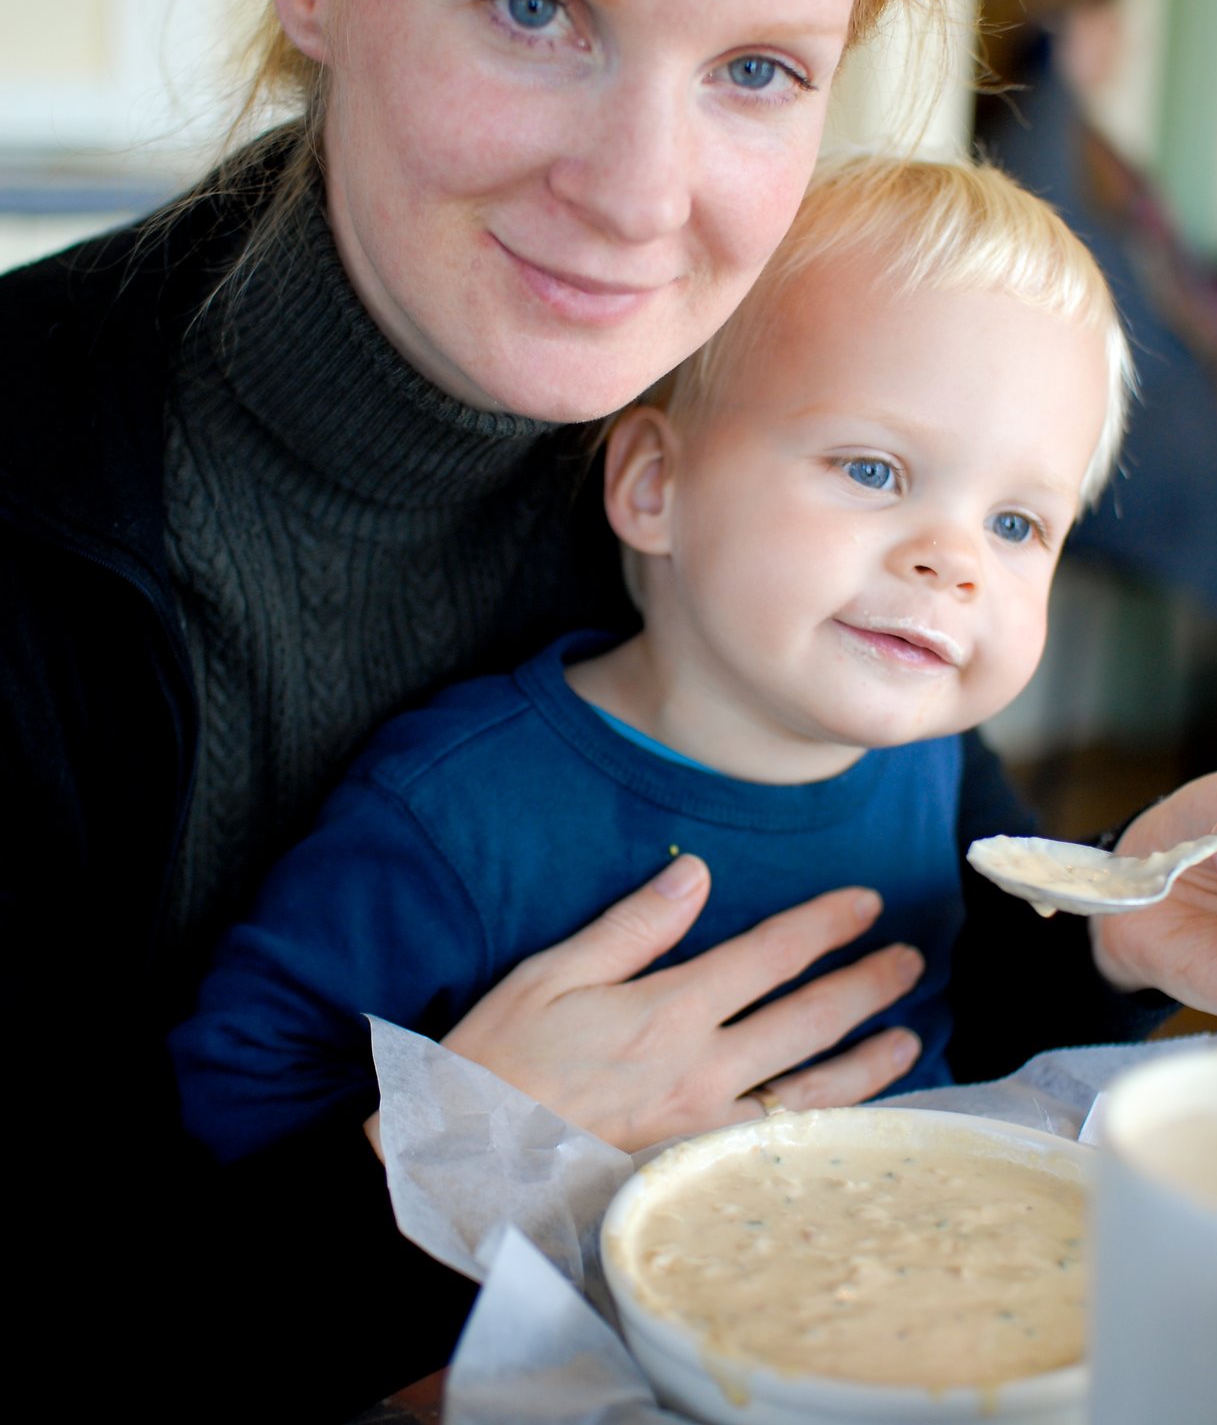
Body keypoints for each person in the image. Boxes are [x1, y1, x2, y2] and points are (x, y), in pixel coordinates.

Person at [3, 0, 1217, 1425]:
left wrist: (1115, 919)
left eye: (758, 69)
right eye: (536, 8)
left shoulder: (755, 437)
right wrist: (444, 1169)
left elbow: (882, 917)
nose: (639, 192)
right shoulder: (36, 522)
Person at [170, 153, 1165, 1166]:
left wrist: (1137, 909)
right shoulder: (454, 815)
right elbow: (237, 1096)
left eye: (1014, 523)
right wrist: (461, 1142)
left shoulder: (939, 764)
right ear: (653, 486)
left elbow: (1012, 1016)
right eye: (873, 469)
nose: (952, 562)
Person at [975, 0, 1217, 614]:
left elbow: (1153, 285)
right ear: (1053, 22)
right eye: (1103, 15)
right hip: (1168, 460)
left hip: (1205, 431)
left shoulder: (1089, 146)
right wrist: (1043, 58)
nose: (1122, 37)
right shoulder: (1035, 144)